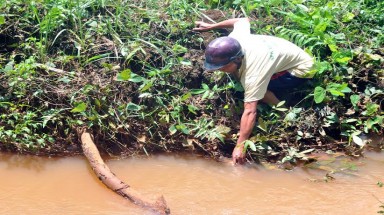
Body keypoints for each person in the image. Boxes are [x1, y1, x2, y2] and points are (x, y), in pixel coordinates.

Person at [193, 18, 314, 164]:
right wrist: (211, 25)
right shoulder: (236, 39)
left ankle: (285, 113)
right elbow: (241, 20)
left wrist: (240, 145)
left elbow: (250, 111)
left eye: (222, 67)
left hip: (301, 69)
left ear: (237, 60)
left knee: (260, 92)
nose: (219, 70)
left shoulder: (253, 74)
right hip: (282, 53)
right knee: (245, 82)